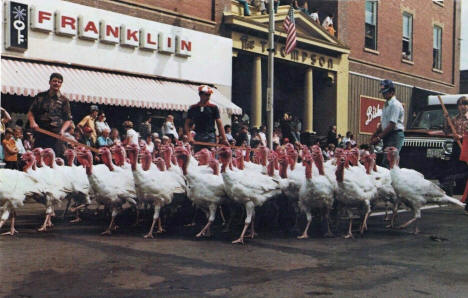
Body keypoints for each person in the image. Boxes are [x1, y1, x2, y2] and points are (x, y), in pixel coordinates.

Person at [27, 72, 72, 157]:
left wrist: (62, 130)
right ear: (50, 82)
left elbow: (68, 119)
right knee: (38, 158)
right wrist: (33, 122)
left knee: (55, 160)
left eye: (59, 82)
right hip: (40, 132)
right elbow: (31, 112)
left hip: (56, 135)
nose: (57, 83)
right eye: (54, 81)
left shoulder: (64, 100)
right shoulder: (40, 96)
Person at [371, 80, 405, 168]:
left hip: (395, 135)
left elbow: (392, 125)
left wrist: (379, 137)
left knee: (388, 161)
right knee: (386, 160)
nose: (383, 94)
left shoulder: (395, 105)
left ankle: (391, 181)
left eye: (385, 92)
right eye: (382, 92)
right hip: (388, 135)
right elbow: (383, 123)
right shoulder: (386, 105)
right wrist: (375, 134)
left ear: (392, 91)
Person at [185, 85, 228, 152]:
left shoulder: (213, 107)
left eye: (209, 95)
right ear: (200, 95)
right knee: (198, 155)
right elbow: (187, 124)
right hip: (198, 135)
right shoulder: (193, 108)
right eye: (206, 95)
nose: (208, 97)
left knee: (211, 155)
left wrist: (224, 138)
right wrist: (189, 136)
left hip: (210, 136)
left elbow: (219, 124)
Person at [442, 96, 468, 205]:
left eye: (465, 104)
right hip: (456, 146)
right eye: (461, 104)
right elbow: (446, 131)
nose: (463, 106)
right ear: (458, 107)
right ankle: (449, 193)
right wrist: (446, 119)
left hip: (466, 145)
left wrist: (461, 137)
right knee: (452, 169)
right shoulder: (454, 119)